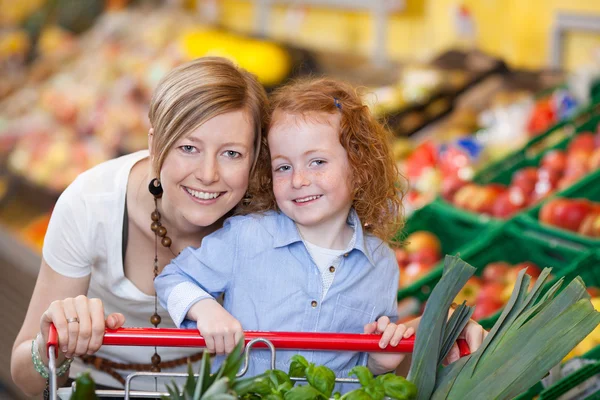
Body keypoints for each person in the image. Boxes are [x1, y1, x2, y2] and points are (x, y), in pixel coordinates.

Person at [156, 77, 486, 384]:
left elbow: (359, 364)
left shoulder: (381, 263)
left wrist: (380, 361)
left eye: (317, 162)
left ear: (359, 169)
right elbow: (173, 280)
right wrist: (205, 308)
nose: (299, 180)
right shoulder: (246, 236)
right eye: (284, 167)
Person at [10, 57, 270, 396]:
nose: (208, 174)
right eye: (188, 147)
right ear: (154, 145)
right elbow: (24, 378)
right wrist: (52, 344)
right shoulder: (91, 204)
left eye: (232, 154)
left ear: (255, 156)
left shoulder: (268, 221)